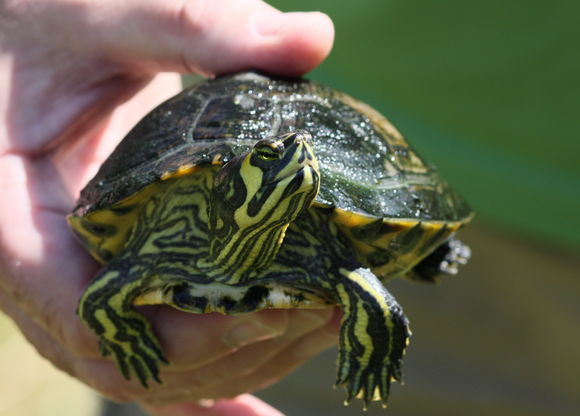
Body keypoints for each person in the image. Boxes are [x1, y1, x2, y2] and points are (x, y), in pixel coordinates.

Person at [0, 1, 337, 415]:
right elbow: (101, 299)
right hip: (159, 79)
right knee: (140, 376)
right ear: (229, 187)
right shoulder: (171, 222)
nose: (298, 152)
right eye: (269, 158)